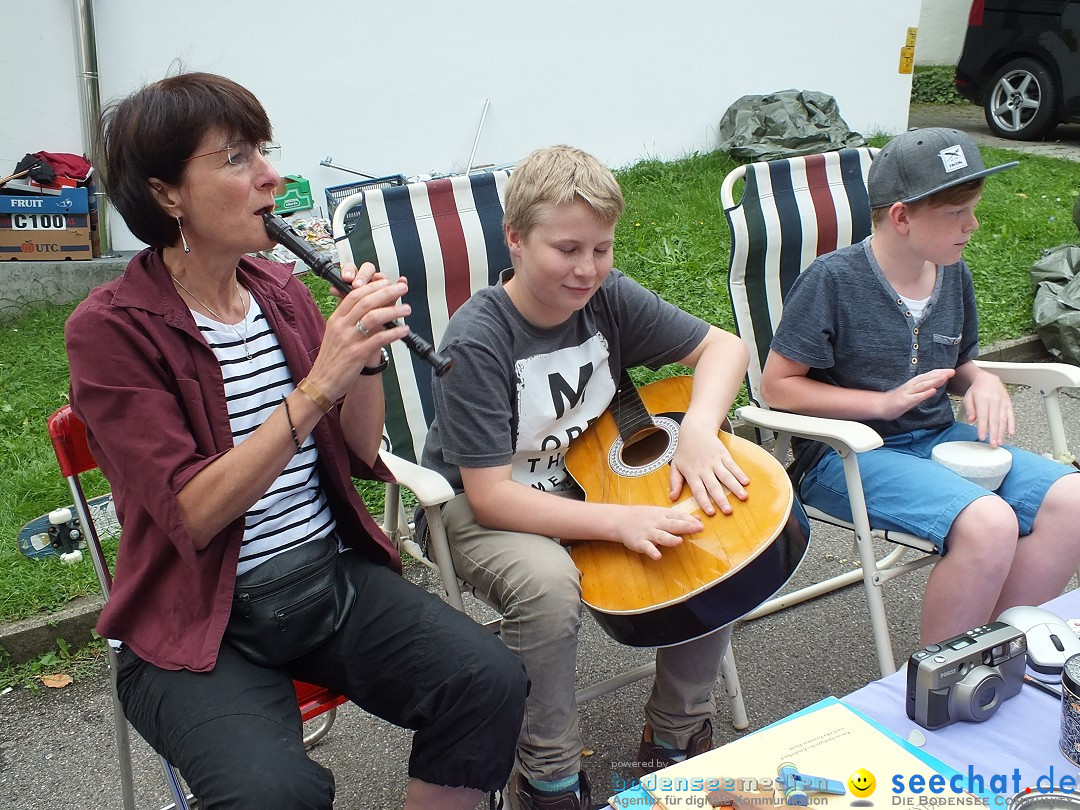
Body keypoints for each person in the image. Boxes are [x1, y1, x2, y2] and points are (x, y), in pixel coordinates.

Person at [65, 71, 527, 810]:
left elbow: (354, 453)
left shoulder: (278, 291)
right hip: (195, 622)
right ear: (167, 194)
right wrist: (317, 383)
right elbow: (193, 512)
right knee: (270, 793)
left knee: (488, 681)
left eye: (263, 152)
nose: (271, 176)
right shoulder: (111, 330)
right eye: (236, 158)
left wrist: (366, 355)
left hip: (323, 577)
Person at [421, 145, 752, 810]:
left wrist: (698, 432)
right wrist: (624, 521)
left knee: (712, 524)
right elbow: (490, 495)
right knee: (548, 586)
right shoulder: (478, 337)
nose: (587, 269)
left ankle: (675, 735)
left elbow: (725, 346)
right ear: (515, 238)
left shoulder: (608, 298)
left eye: (600, 249)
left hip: (586, 481)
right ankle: (548, 775)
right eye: (567, 248)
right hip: (480, 506)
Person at [760, 127, 1080, 647]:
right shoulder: (832, 281)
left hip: (935, 439)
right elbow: (778, 387)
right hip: (846, 455)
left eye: (973, 210)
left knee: (1073, 498)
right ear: (902, 216)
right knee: (989, 523)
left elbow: (960, 363)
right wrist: (879, 404)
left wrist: (984, 380)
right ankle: (941, 679)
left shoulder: (952, 272)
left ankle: (999, 648)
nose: (972, 226)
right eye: (957, 214)